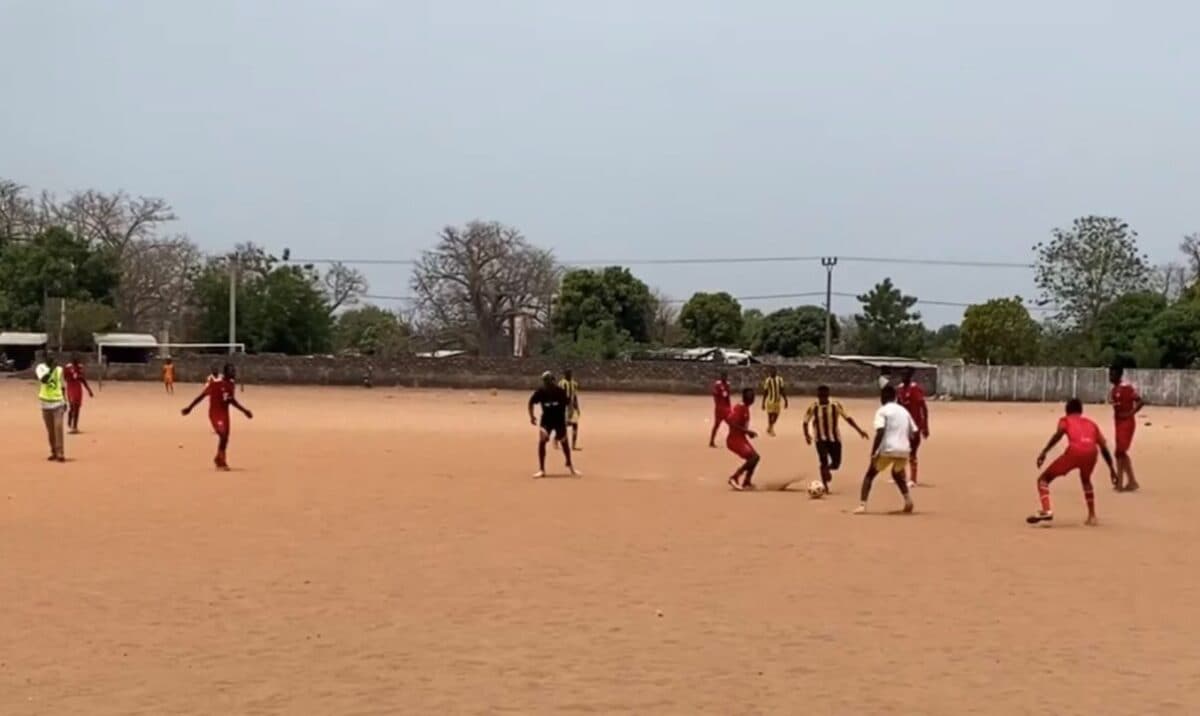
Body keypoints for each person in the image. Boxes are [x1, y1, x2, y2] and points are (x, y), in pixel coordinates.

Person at [1028, 399, 1116, 526]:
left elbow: (1058, 434)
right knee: (1086, 480)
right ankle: (1092, 516)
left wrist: (1044, 452)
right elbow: (1103, 448)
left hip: (1075, 452)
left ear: (1066, 410)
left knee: (1043, 479)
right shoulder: (1091, 423)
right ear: (1081, 411)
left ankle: (1046, 510)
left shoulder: (1065, 420)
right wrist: (1112, 469)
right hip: (1092, 452)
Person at [855, 385, 916, 514]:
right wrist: (912, 451)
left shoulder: (882, 411)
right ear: (895, 397)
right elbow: (914, 432)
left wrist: (874, 452)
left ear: (882, 398)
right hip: (905, 450)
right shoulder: (904, 411)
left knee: (869, 475)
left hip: (888, 449)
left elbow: (880, 431)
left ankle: (862, 505)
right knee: (896, 473)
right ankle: (908, 500)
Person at [182, 363, 253, 470]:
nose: (234, 372)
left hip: (225, 414)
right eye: (231, 371)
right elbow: (202, 396)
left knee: (225, 438)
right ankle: (222, 461)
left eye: (234, 370)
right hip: (215, 413)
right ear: (225, 373)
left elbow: (231, 400)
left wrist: (244, 411)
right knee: (223, 436)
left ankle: (218, 458)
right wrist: (189, 408)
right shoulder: (216, 384)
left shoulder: (231, 385)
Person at [803, 385, 868, 493]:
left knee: (836, 464)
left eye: (824, 395)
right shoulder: (813, 407)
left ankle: (827, 469)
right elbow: (805, 421)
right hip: (820, 438)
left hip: (835, 439)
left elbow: (848, 418)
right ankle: (824, 485)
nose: (822, 398)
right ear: (818, 396)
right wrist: (807, 435)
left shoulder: (835, 405)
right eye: (820, 396)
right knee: (823, 460)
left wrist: (859, 431)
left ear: (828, 395)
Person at [528, 371, 577, 478]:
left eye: (549, 380)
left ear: (553, 380)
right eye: (545, 381)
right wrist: (531, 416)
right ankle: (542, 469)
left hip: (559, 420)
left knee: (564, 443)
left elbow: (569, 404)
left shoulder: (560, 391)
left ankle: (569, 464)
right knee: (542, 441)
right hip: (546, 420)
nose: (547, 383)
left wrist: (570, 416)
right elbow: (531, 402)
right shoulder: (541, 391)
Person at [1109, 365, 1144, 492]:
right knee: (1120, 452)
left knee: (1119, 452)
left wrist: (1131, 413)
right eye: (1110, 374)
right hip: (1118, 423)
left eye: (1112, 374)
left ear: (1119, 375)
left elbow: (1140, 401)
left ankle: (1121, 483)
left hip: (1127, 423)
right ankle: (1132, 481)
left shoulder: (1126, 388)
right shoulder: (1114, 390)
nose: (1110, 377)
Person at [896, 367, 930, 486]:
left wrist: (925, 426)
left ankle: (913, 479)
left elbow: (923, 408)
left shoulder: (915, 389)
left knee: (912, 451)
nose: (903, 377)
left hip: (914, 425)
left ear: (910, 376)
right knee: (900, 450)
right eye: (902, 375)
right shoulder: (899, 389)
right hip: (902, 425)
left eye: (906, 375)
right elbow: (898, 406)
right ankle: (901, 476)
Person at [725, 387, 760, 491]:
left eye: (753, 395)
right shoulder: (740, 407)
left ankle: (747, 482)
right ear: (744, 396)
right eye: (750, 395)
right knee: (753, 458)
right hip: (734, 440)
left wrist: (747, 433)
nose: (752, 397)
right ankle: (734, 477)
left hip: (741, 438)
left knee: (756, 458)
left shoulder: (745, 408)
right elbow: (731, 422)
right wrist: (747, 432)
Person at [35, 352, 68, 462]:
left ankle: (60, 453)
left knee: (58, 428)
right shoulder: (40, 368)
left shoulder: (59, 370)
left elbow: (62, 385)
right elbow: (44, 380)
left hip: (58, 403)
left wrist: (65, 401)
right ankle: (53, 451)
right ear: (45, 358)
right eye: (49, 356)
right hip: (46, 403)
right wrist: (51, 369)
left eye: (53, 356)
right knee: (51, 430)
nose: (52, 358)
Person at [63, 354, 94, 434]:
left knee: (76, 407)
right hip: (71, 387)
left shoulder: (79, 368)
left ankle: (74, 427)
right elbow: (65, 378)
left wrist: (89, 390)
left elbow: (82, 379)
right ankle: (70, 422)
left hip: (77, 388)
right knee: (72, 407)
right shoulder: (67, 368)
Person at [761, 366, 788, 437]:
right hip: (770, 401)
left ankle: (769, 427)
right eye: (771, 371)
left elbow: (782, 390)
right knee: (770, 416)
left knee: (776, 415)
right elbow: (765, 392)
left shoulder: (780, 379)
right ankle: (771, 429)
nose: (772, 372)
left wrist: (786, 400)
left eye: (774, 371)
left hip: (777, 401)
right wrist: (763, 403)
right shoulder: (768, 380)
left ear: (776, 372)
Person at [559, 369, 582, 451]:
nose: (569, 375)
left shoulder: (574, 384)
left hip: (571, 406)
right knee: (564, 426)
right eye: (567, 374)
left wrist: (577, 407)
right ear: (564, 375)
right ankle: (559, 440)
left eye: (570, 374)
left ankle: (573, 445)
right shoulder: (562, 383)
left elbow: (575, 396)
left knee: (575, 425)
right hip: (564, 406)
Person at [709, 370, 732, 447]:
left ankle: (732, 440)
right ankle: (711, 441)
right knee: (716, 425)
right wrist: (717, 405)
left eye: (726, 377)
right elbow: (715, 395)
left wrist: (729, 406)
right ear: (721, 377)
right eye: (723, 376)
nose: (724, 378)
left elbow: (728, 396)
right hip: (719, 409)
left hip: (726, 409)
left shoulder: (727, 385)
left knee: (731, 424)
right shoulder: (718, 385)